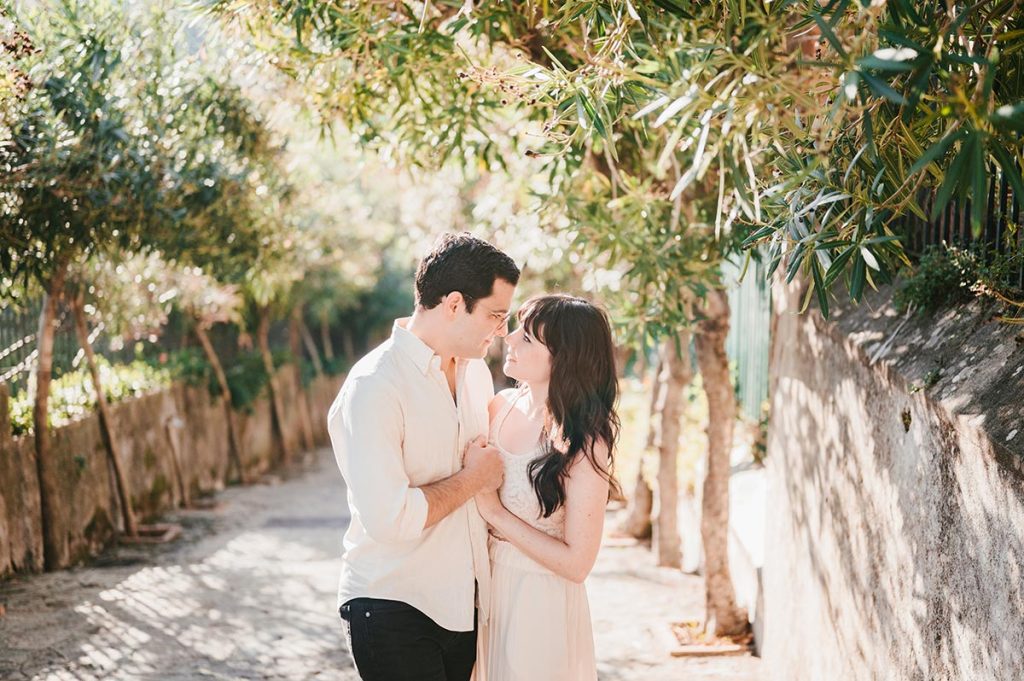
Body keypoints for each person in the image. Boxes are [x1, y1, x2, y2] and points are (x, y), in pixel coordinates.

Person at [327, 232, 520, 681]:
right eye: (495, 315)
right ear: (454, 304)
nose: (502, 332)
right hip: (394, 605)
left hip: (464, 607)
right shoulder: (374, 386)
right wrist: (474, 478)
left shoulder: (475, 377)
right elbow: (390, 518)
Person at [474, 294, 621, 681]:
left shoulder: (584, 442)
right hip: (484, 593)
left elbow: (577, 564)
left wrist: (494, 514)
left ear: (563, 358)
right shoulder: (497, 406)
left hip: (539, 602)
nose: (510, 338)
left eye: (528, 338)